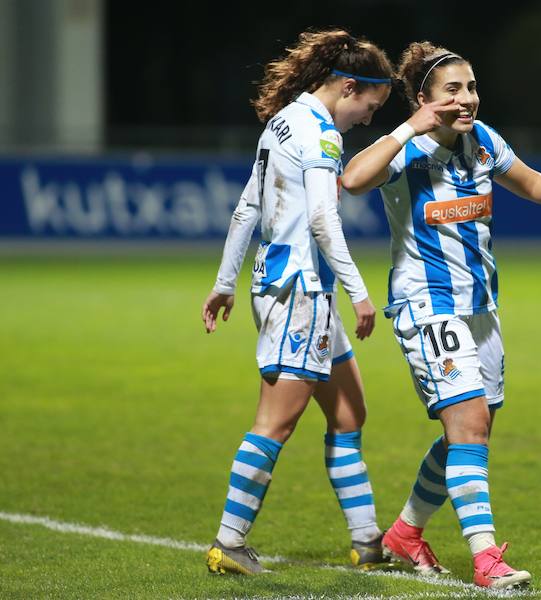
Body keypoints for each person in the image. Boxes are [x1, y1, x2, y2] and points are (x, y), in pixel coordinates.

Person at [341, 41, 541, 589]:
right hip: (428, 305)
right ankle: (486, 557)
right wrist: (408, 127)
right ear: (423, 99)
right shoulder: (405, 150)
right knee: (468, 422)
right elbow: (352, 178)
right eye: (453, 89)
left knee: (471, 428)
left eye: (471, 87)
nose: (467, 98)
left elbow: (532, 182)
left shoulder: (483, 139)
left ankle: (404, 533)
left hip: (481, 309)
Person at [200, 29, 393, 575]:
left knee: (350, 413)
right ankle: (229, 542)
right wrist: (360, 292)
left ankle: (366, 540)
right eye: (370, 107)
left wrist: (225, 281)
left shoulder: (283, 120)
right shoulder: (322, 135)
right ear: (349, 87)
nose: (369, 119)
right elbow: (321, 219)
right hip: (302, 295)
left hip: (290, 290)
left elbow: (247, 206)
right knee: (275, 423)